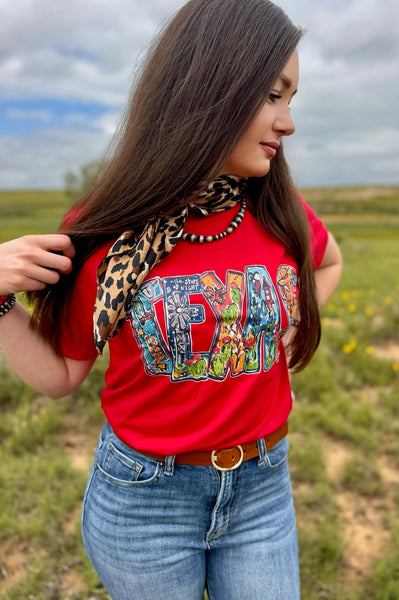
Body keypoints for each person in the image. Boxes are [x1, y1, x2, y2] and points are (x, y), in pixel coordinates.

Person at [0, 0, 342, 598]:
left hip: (262, 489)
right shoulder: (108, 230)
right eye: (271, 96)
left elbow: (330, 261)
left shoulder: (277, 208)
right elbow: (60, 374)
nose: (288, 122)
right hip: (145, 503)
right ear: (208, 89)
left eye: (291, 99)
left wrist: (297, 318)